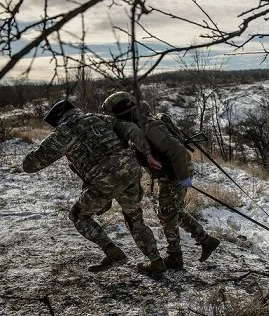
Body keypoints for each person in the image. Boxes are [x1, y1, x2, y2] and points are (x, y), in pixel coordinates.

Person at [22, 100, 166, 276]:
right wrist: (148, 154)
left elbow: (29, 165)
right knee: (134, 218)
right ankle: (156, 261)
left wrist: (45, 145)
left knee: (78, 215)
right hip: (130, 171)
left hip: (104, 180)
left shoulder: (62, 133)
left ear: (57, 121)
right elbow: (131, 129)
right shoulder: (99, 118)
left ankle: (113, 252)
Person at [102, 91, 220, 270]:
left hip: (177, 171)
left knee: (167, 213)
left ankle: (176, 256)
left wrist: (183, 178)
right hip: (170, 172)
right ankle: (204, 242)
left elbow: (178, 151)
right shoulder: (138, 124)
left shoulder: (148, 126)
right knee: (171, 212)